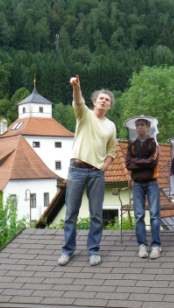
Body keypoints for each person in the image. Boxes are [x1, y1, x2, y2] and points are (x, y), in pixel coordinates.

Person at [58, 75, 117, 266]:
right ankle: (68, 250)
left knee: (96, 214)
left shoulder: (111, 126)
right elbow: (78, 100)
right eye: (101, 98)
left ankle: (94, 250)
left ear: (109, 106)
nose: (104, 100)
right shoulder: (84, 114)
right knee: (71, 213)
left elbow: (112, 151)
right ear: (94, 101)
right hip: (76, 169)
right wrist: (76, 86)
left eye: (107, 100)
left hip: (96, 173)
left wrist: (104, 168)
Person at [125, 117, 161, 259]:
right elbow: (128, 164)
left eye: (143, 125)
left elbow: (153, 162)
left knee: (154, 215)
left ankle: (156, 245)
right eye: (138, 125)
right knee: (139, 215)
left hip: (152, 182)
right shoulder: (132, 145)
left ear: (148, 127)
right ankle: (142, 245)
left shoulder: (154, 143)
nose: (140, 127)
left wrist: (137, 161)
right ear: (135, 128)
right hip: (137, 183)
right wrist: (144, 162)